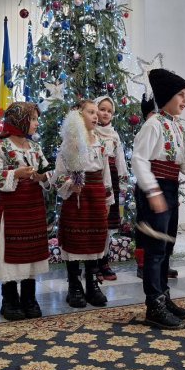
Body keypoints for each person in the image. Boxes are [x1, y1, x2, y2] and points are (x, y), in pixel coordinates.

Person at [132, 69, 185, 329]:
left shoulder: (177, 127)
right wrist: (153, 192)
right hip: (155, 191)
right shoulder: (153, 125)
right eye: (180, 95)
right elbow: (139, 160)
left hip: (169, 189)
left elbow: (184, 163)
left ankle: (164, 296)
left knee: (166, 248)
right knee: (155, 251)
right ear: (166, 95)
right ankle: (153, 305)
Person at [0, 102, 51, 320]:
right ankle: (9, 299)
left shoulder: (35, 148)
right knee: (12, 252)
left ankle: (29, 297)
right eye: (32, 119)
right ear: (19, 120)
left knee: (31, 252)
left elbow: (47, 172)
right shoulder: (1, 147)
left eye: (35, 119)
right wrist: (16, 174)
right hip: (13, 209)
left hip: (33, 207)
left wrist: (44, 177)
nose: (36, 123)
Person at [53, 101, 114, 308]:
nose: (96, 116)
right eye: (91, 112)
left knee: (94, 238)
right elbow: (58, 177)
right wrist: (71, 185)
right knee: (75, 239)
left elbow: (106, 175)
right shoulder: (69, 143)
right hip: (76, 198)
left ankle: (91, 283)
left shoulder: (101, 142)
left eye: (97, 113)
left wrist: (107, 199)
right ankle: (74, 285)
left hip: (95, 195)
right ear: (79, 116)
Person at [93, 96, 129, 282]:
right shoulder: (91, 133)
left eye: (109, 111)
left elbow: (120, 159)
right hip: (96, 178)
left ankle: (104, 260)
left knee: (107, 224)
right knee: (95, 222)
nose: (105, 113)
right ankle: (92, 262)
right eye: (102, 109)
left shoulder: (114, 135)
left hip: (112, 180)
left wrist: (123, 183)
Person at [134, 94, 157, 279]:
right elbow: (140, 160)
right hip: (145, 184)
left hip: (160, 182)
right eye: (153, 112)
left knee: (159, 226)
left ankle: (158, 263)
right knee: (144, 223)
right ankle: (142, 264)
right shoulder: (146, 130)